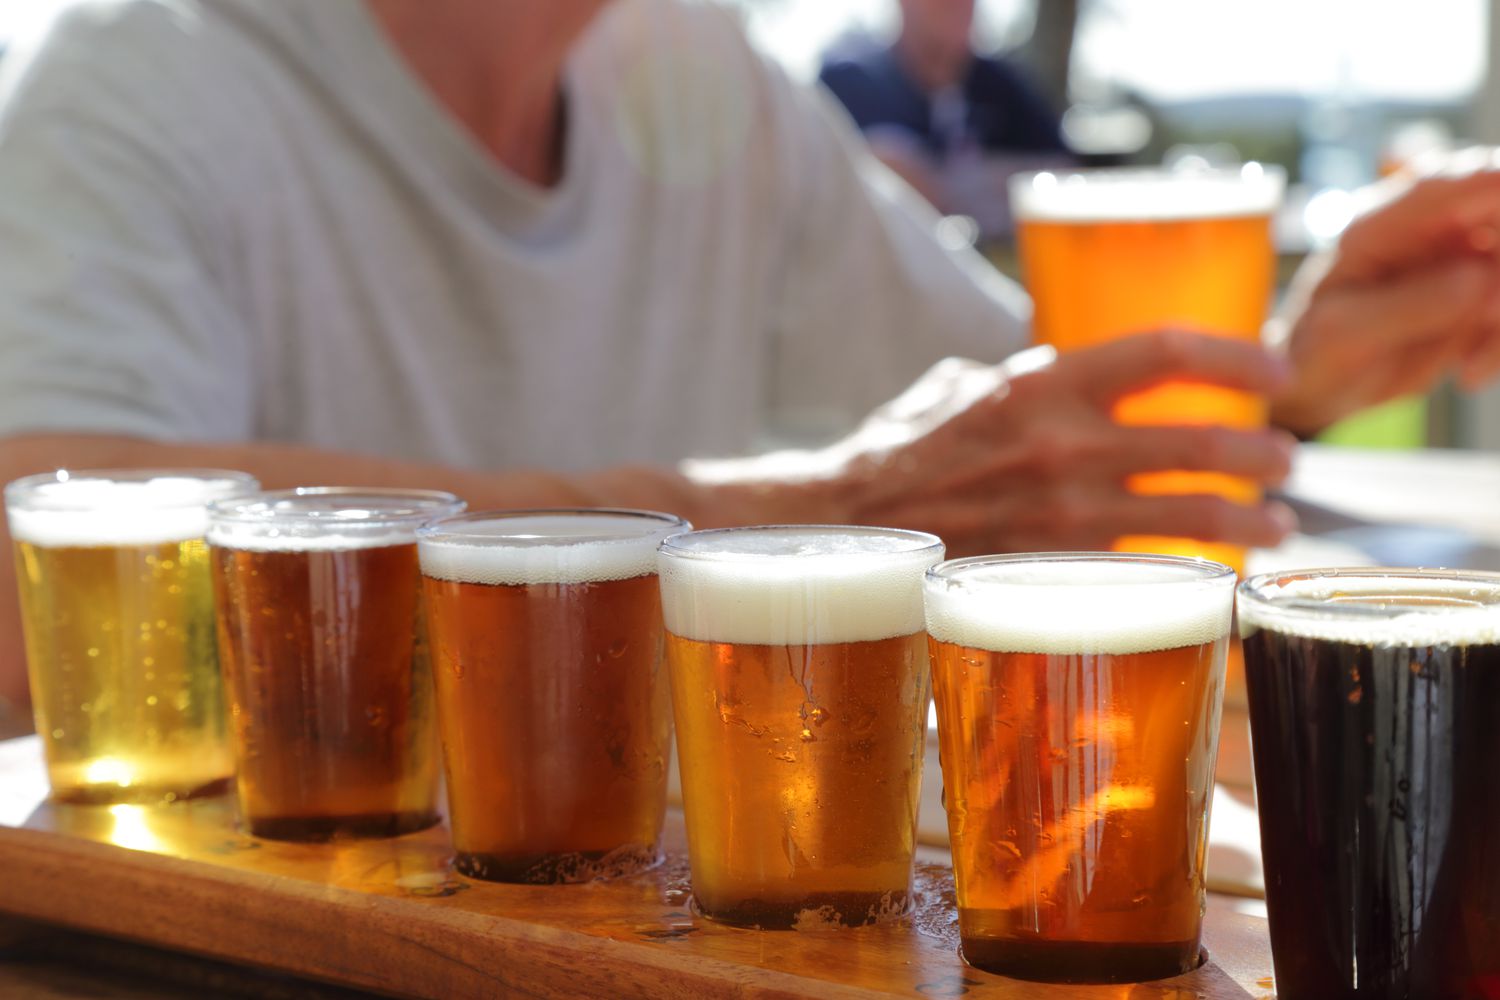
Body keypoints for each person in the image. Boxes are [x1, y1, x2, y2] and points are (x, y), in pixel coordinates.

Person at [0, 0, 1493, 719]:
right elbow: (32, 596)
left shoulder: (694, 69)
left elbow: (1025, 424)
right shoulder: (155, 76)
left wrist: (1286, 369)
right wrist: (788, 518)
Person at [819, 0, 1070, 232]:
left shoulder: (1003, 84)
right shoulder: (851, 81)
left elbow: (1063, 177)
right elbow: (836, 182)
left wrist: (943, 183)